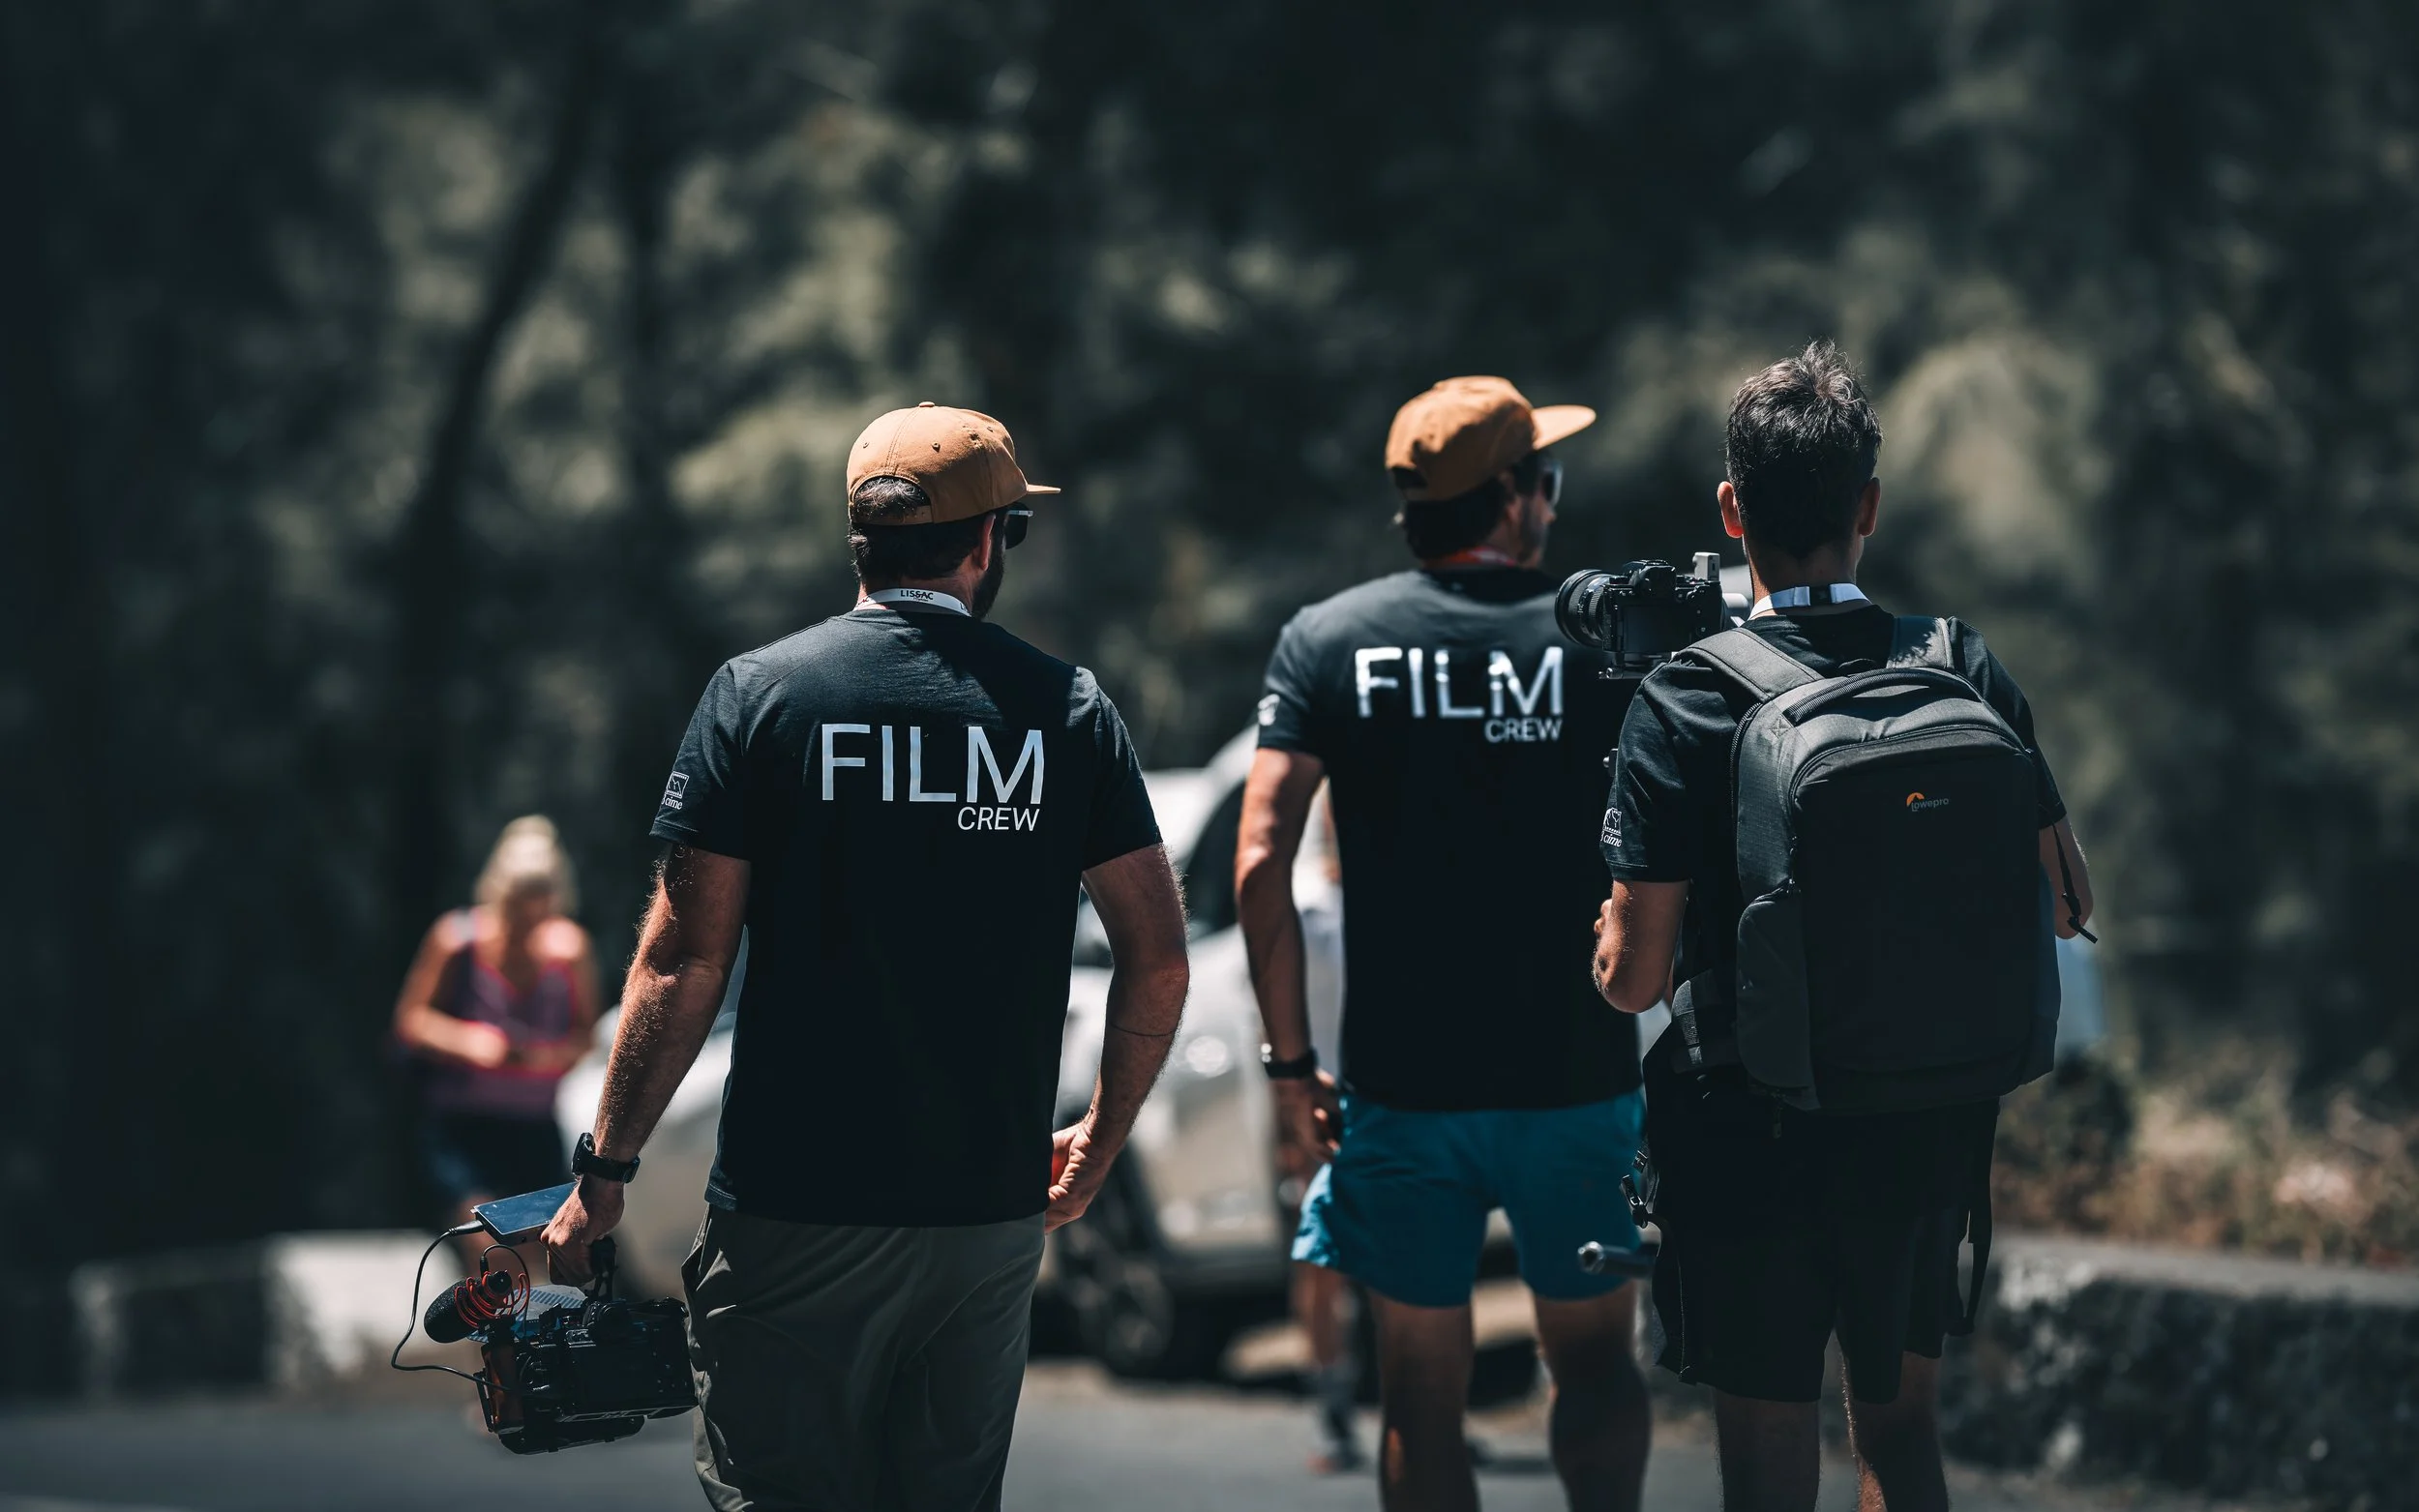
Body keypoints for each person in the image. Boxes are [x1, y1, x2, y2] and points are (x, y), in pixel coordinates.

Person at [541, 402, 1190, 1512]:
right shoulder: (1066, 710)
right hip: (985, 1213)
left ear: (860, 539)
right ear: (989, 543)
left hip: (797, 1206)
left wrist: (605, 1174)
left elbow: (678, 963)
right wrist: (1099, 1139)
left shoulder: (761, 696)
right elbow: (1159, 956)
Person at [1591, 342, 2095, 1512]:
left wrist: (1604, 937)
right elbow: (2069, 900)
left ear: (1731, 510)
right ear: (1868, 504)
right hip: (1927, 1112)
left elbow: (1633, 979)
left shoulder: (1687, 693)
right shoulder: (1959, 662)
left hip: (1747, 1128)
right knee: (1901, 1430)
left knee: (1769, 1453)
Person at [1238, 376, 1653, 1512]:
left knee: (1421, 1387)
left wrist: (1286, 1067)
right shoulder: (1601, 636)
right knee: (1597, 1364)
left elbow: (1258, 858)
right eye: (1547, 483)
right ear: (1514, 497)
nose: (1553, 506)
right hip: (1577, 1071)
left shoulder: (1329, 640)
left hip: (1403, 1086)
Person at [391, 815, 600, 1268]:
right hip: (465, 1126)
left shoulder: (570, 951)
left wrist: (543, 1057)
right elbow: (411, 1019)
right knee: (485, 1245)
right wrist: (475, 1044)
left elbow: (589, 1037)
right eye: (518, 907)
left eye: (538, 908)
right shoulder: (457, 940)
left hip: (536, 1127)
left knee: (544, 1249)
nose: (528, 922)